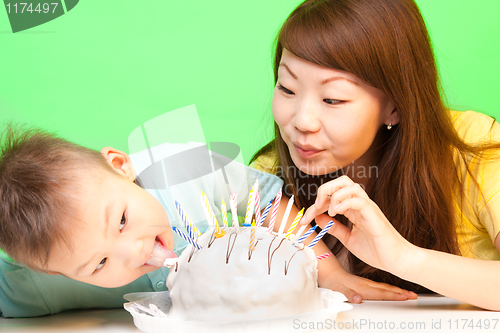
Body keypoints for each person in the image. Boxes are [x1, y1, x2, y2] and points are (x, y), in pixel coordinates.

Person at [251, 0, 500, 310]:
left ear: (395, 105)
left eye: (332, 99)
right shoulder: (269, 177)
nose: (302, 121)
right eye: (287, 88)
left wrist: (404, 258)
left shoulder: (474, 148)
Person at [0, 126, 283, 317]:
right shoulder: (40, 281)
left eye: (122, 220)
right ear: (55, 273)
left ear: (120, 166)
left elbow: (273, 200)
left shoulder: (186, 170)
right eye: (100, 264)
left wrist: (329, 280)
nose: (135, 252)